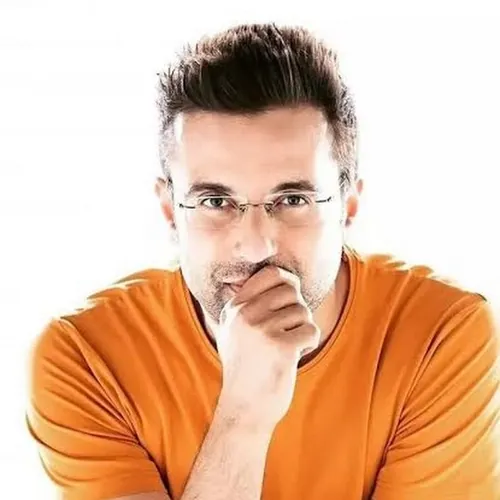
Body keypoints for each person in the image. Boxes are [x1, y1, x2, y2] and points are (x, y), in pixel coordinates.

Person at [26, 22, 499, 500]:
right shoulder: (86, 358)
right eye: (215, 202)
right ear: (170, 211)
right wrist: (244, 415)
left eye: (292, 200)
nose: (255, 247)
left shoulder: (441, 334)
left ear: (348, 205)